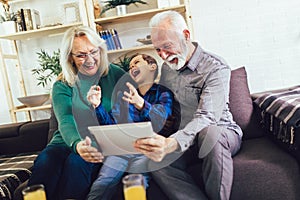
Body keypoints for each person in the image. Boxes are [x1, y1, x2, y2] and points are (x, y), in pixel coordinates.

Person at [134, 11, 243, 200]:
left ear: (185, 35)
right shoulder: (167, 68)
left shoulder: (215, 67)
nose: (163, 56)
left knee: (210, 134)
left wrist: (172, 143)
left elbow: (208, 116)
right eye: (157, 50)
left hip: (220, 132)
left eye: (167, 47)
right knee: (155, 159)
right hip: (185, 138)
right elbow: (168, 108)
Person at [27, 26, 128, 200]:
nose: (90, 60)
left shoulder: (116, 74)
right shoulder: (62, 84)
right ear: (70, 58)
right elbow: (66, 120)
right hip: (66, 141)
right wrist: (77, 144)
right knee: (45, 162)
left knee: (77, 163)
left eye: (93, 52)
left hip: (100, 141)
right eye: (81, 55)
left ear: (101, 50)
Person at [86, 53, 179, 200]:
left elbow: (163, 119)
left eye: (136, 62)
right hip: (122, 149)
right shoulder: (124, 96)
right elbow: (111, 125)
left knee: (136, 184)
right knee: (102, 183)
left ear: (152, 66)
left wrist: (140, 103)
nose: (132, 67)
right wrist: (97, 106)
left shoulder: (162, 93)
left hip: (146, 150)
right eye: (130, 67)